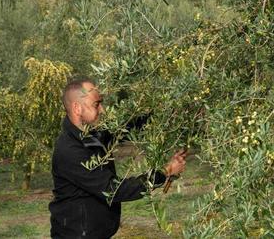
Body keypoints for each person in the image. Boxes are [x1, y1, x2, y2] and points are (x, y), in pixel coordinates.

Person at [49, 77, 187, 238]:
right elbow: (114, 190)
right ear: (77, 108)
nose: (103, 110)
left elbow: (126, 128)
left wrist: (166, 114)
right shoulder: (70, 150)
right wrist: (166, 171)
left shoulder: (92, 134)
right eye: (96, 104)